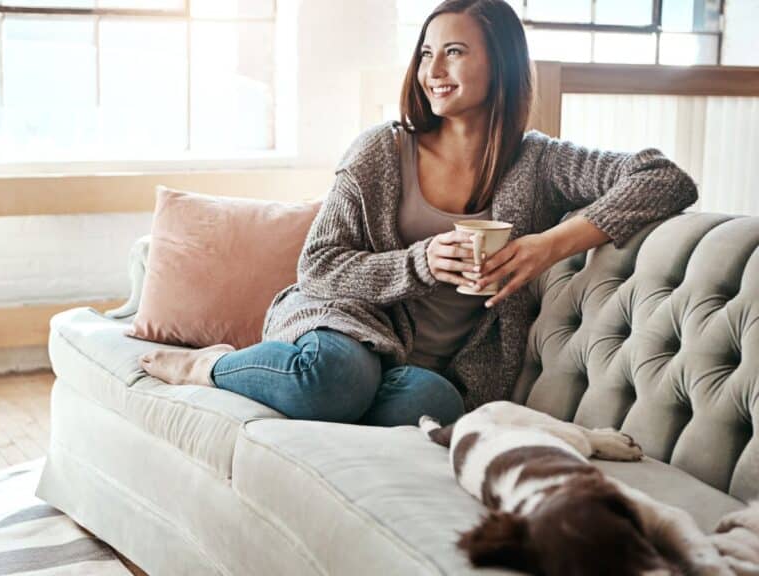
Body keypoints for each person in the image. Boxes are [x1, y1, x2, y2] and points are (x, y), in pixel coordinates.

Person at [138, 0, 697, 426]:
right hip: (347, 324)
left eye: (455, 51)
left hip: (424, 368)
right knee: (334, 379)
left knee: (434, 405)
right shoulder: (382, 149)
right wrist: (422, 261)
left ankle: (306, 393)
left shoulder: (539, 161)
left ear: (499, 62)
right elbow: (319, 267)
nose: (434, 69)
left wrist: (546, 246)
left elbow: (665, 179)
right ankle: (204, 366)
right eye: (427, 53)